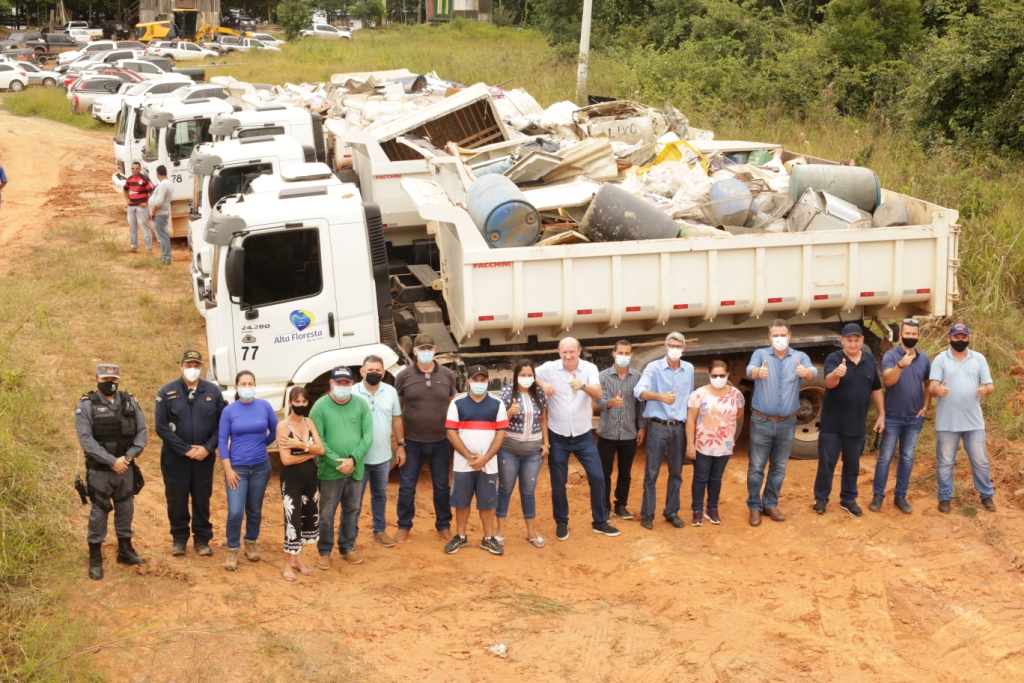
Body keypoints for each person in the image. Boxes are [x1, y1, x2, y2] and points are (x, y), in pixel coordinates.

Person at [536, 338, 620, 540]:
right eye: (564, 352)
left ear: (579, 351)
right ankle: (561, 523)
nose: (568, 356)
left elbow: (598, 393)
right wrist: (543, 382)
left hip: (583, 436)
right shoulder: (549, 368)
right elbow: (528, 374)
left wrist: (582, 385)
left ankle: (600, 522)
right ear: (559, 352)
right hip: (558, 436)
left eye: (572, 352)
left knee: (598, 477)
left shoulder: (589, 368)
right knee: (558, 482)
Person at [76, 363, 148, 580]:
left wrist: (125, 459)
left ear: (119, 380)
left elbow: (142, 432)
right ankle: (95, 557)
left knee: (126, 507)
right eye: (105, 379)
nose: (110, 383)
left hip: (125, 468)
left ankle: (125, 551)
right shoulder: (86, 406)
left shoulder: (129, 402)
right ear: (95, 380)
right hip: (100, 471)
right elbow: (87, 441)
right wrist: (111, 461)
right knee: (100, 510)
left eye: (114, 379)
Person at [745, 320, 816, 526]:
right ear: (769, 337)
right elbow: (750, 369)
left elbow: (813, 372)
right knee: (756, 466)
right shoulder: (760, 354)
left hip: (787, 423)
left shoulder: (799, 357)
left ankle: (770, 504)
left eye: (782, 335)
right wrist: (758, 372)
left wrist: (807, 373)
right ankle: (754, 507)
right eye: (775, 335)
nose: (779, 339)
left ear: (789, 335)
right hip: (762, 420)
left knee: (779, 467)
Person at [154, 350, 226, 557]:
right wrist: (185, 450)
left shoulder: (213, 391)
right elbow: (161, 427)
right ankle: (179, 539)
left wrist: (207, 448)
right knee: (176, 499)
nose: (192, 369)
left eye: (196, 365)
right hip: (176, 457)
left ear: (201, 367)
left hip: (204, 457)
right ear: (181, 366)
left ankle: (202, 539)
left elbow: (222, 423)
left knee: (202, 499)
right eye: (188, 365)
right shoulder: (167, 392)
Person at [813, 324, 884, 517]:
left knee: (852, 465)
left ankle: (848, 498)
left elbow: (876, 388)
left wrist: (881, 414)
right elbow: (829, 382)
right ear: (842, 341)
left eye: (856, 340)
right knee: (827, 463)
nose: (853, 343)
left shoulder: (869, 359)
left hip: (856, 424)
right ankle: (821, 498)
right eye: (849, 340)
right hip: (832, 424)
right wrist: (837, 373)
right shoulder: (834, 359)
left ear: (862, 340)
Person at [394, 334, 457, 543]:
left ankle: (444, 525)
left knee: (441, 486)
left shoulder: (448, 375)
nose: (426, 352)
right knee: (407, 486)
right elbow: (398, 410)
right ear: (415, 351)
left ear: (436, 349)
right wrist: (400, 443)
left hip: (440, 441)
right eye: (422, 349)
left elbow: (451, 405)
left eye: (429, 348)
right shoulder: (403, 376)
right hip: (412, 442)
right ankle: (404, 526)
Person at [929, 322, 996, 514]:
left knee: (980, 460)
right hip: (947, 422)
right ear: (950, 337)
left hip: (973, 422)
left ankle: (986, 495)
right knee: (945, 462)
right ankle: (944, 497)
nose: (960, 340)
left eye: (963, 337)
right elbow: (932, 386)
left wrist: (986, 391)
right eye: (956, 336)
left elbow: (990, 386)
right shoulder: (941, 359)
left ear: (968, 338)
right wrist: (937, 389)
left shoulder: (978, 359)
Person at [311, 366, 373, 569]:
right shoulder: (319, 407)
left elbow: (367, 437)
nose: (343, 386)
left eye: (347, 383)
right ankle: (325, 551)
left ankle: (347, 546)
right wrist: (338, 462)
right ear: (331, 383)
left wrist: (353, 461)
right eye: (339, 383)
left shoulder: (361, 405)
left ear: (352, 384)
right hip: (330, 472)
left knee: (352, 510)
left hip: (355, 470)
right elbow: (318, 441)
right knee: (327, 513)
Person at [445, 365, 509, 555]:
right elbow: (451, 433)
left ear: (487, 381)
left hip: (488, 463)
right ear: (468, 381)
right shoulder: (457, 403)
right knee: (461, 501)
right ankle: (461, 537)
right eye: (475, 380)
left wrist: (486, 458)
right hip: (463, 463)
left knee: (488, 502)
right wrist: (468, 455)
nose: (479, 383)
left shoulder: (497, 404)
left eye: (483, 380)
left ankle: (488, 539)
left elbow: (501, 434)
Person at [217, 370, 277, 570]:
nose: (247, 387)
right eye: (243, 384)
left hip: (261, 467)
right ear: (236, 387)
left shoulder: (265, 406)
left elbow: (275, 430)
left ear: (255, 385)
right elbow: (222, 441)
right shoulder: (229, 411)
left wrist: (262, 444)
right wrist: (228, 470)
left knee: (254, 509)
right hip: (237, 469)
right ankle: (232, 549)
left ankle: (250, 542)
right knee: (235, 511)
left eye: (250, 383)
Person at [634, 332, 694, 530]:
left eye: (679, 346)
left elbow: (690, 399)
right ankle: (647, 514)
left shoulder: (689, 369)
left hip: (679, 428)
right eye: (671, 345)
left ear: (684, 348)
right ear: (665, 346)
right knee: (652, 472)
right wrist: (660, 397)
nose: (675, 349)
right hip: (658, 427)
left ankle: (671, 512)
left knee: (676, 473)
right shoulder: (654, 367)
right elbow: (639, 392)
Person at [870, 319, 930, 514]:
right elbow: (888, 380)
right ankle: (878, 496)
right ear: (901, 335)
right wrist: (901, 365)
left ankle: (900, 496)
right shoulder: (890, 355)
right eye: (907, 333)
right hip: (893, 417)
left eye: (914, 334)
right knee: (885, 457)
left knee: (907, 458)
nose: (910, 337)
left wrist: (925, 407)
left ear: (918, 336)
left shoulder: (924, 359)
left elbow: (928, 384)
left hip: (914, 418)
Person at [352, 355, 405, 548]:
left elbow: (397, 419)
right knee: (354, 499)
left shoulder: (390, 391)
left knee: (380, 495)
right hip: (358, 458)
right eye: (370, 370)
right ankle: (351, 536)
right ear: (362, 371)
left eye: (377, 370)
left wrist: (400, 445)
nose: (374, 373)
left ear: (383, 372)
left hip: (383, 457)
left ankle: (379, 530)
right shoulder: (351, 393)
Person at [496, 360, 549, 549]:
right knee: (505, 490)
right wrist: (510, 413)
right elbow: (499, 421)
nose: (526, 379)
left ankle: (531, 533)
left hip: (533, 453)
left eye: (530, 375)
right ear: (516, 375)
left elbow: (543, 418)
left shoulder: (539, 393)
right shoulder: (507, 392)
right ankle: (500, 533)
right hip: (508, 450)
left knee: (528, 492)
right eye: (523, 375)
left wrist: (546, 442)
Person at [686, 361, 745, 526]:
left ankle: (712, 509)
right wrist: (691, 444)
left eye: (722, 375)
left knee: (716, 478)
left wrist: (724, 428)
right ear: (709, 375)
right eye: (714, 375)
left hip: (724, 445)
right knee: (700, 477)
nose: (718, 378)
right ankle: (697, 511)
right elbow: (690, 420)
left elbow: (738, 414)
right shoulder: (698, 394)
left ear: (728, 375)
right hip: (702, 444)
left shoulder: (736, 394)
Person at [275, 386, 324, 581]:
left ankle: (299, 560)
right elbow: (286, 460)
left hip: (311, 478)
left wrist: (300, 446)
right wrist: (310, 452)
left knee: (305, 519)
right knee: (292, 521)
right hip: (291, 479)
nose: (301, 405)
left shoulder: (309, 422)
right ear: (290, 403)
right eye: (297, 402)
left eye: (304, 402)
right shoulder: (282, 426)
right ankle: (286, 563)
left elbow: (321, 449)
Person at [596, 340, 645, 520]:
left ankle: (621, 505)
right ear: (613, 354)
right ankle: (605, 507)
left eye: (627, 353)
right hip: (607, 433)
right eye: (620, 353)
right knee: (604, 473)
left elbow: (641, 403)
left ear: (631, 355)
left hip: (628, 433)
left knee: (625, 472)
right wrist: (611, 402)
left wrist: (641, 426)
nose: (623, 356)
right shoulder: (603, 377)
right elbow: (599, 403)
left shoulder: (638, 377)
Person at [123, 161, 154, 253]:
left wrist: (147, 203)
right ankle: (133, 247)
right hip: (131, 207)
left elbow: (153, 192)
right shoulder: (129, 179)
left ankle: (149, 249)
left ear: (140, 169)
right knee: (132, 227)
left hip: (141, 207)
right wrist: (127, 200)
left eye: (137, 168)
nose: (135, 170)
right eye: (133, 168)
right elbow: (125, 189)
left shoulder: (145, 179)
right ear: (131, 169)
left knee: (145, 227)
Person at [148, 164, 173, 265]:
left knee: (162, 236)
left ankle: (166, 257)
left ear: (158, 174)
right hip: (162, 213)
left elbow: (159, 202)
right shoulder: (168, 183)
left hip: (159, 214)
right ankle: (164, 255)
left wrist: (153, 212)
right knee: (163, 235)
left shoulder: (163, 184)